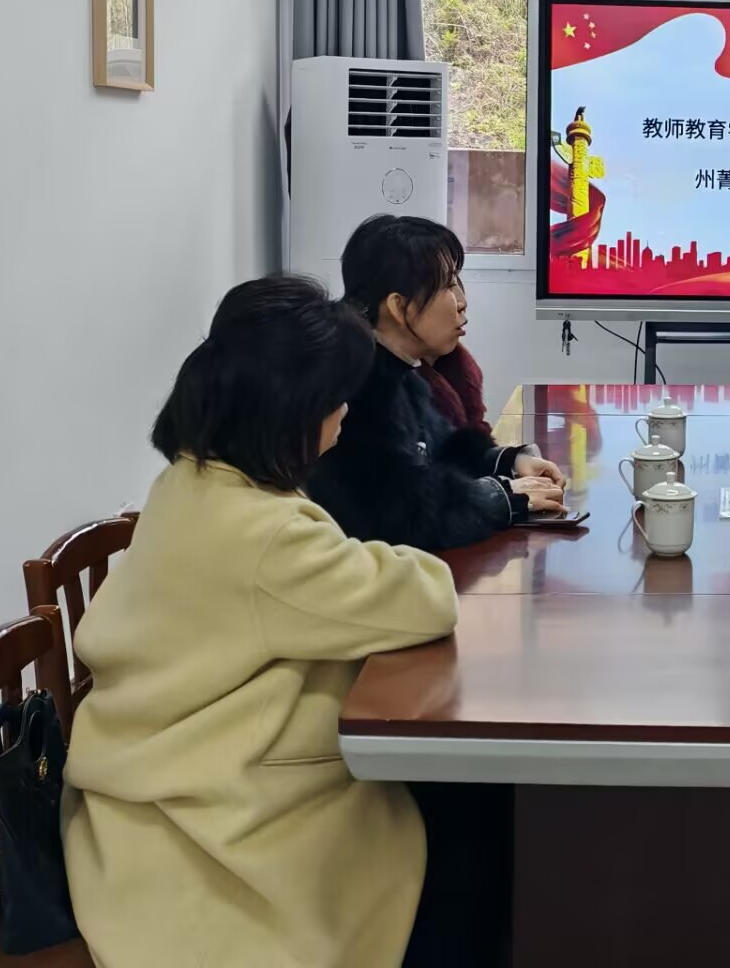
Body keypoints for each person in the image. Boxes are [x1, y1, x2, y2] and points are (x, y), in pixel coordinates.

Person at [62, 275, 463, 968]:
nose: (346, 410)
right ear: (292, 413)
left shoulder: (191, 478)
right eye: (336, 397)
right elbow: (427, 596)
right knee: (459, 843)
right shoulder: (269, 537)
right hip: (213, 824)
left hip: (144, 787)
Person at [310, 214, 565, 552]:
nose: (461, 301)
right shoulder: (357, 388)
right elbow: (402, 519)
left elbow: (444, 449)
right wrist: (503, 496)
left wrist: (509, 462)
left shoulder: (399, 371)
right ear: (398, 306)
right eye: (447, 284)